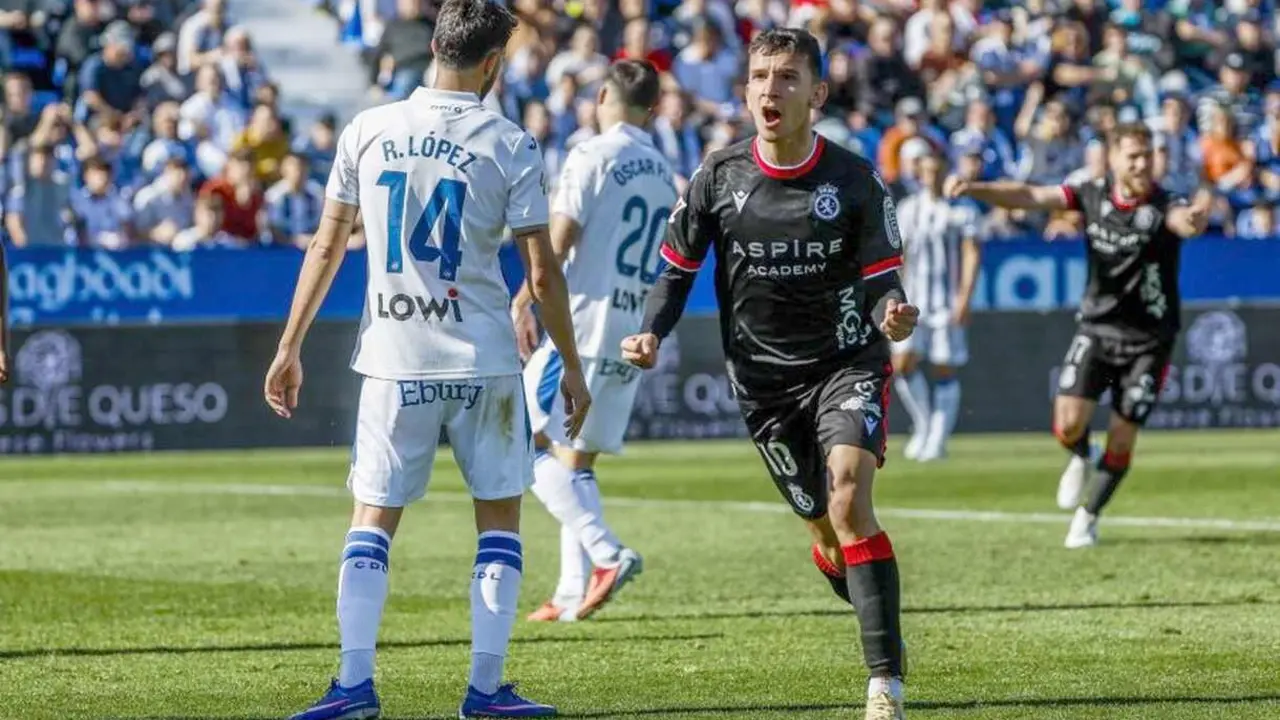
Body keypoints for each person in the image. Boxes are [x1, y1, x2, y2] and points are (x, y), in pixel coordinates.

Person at [263, 1, 589, 718]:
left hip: (393, 355)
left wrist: (289, 346)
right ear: (493, 63)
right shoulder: (510, 142)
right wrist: (570, 363)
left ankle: (353, 685)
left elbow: (326, 244)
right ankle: (486, 690)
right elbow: (541, 275)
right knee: (498, 521)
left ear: (436, 46)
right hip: (484, 360)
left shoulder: (368, 129)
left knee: (371, 520)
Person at [620, 28, 919, 720]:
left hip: (846, 363)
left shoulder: (854, 180)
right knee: (826, 532)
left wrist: (892, 312)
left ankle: (885, 682)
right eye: (759, 76)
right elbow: (676, 271)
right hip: (762, 385)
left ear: (817, 94)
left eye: (786, 77)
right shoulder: (718, 176)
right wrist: (652, 330)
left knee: (849, 502)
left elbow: (883, 279)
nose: (769, 89)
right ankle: (874, 605)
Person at [944, 122, 1211, 549]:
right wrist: (975, 188)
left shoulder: (1165, 203)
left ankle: (1087, 517)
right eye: (1133, 156)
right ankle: (1082, 454)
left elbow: (1184, 221)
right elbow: (1029, 196)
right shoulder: (1090, 193)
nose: (1142, 164)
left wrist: (1194, 220)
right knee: (1068, 425)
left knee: (1123, 435)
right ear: (1113, 158)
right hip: (1097, 328)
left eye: (1147, 155)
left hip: (1150, 340)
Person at [511, 59, 673, 623]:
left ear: (603, 95)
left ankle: (607, 553)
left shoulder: (591, 154)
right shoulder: (664, 173)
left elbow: (558, 240)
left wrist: (523, 300)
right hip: (629, 329)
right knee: (575, 462)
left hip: (578, 326)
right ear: (653, 109)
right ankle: (570, 591)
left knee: (517, 439)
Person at [891, 150, 982, 462]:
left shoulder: (963, 209)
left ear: (946, 171)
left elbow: (971, 254)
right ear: (919, 173)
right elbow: (900, 256)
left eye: (937, 170)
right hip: (913, 300)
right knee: (903, 363)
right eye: (927, 171)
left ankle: (938, 438)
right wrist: (895, 295)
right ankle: (924, 425)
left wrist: (965, 297)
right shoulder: (908, 208)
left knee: (944, 366)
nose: (932, 176)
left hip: (946, 301)